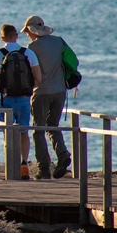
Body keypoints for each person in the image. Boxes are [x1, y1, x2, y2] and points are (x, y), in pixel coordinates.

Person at [0, 24, 42, 179]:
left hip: (5, 100)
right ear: (16, 35)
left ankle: (11, 167)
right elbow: (38, 78)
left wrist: (0, 90)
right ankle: (24, 163)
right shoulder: (28, 53)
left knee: (8, 134)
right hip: (24, 100)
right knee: (24, 132)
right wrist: (27, 89)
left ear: (2, 37)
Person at [23, 15, 73, 179]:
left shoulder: (32, 47)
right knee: (53, 125)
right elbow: (73, 60)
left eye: (27, 32)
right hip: (59, 91)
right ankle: (62, 153)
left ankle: (44, 168)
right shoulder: (59, 41)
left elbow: (29, 72)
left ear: (32, 32)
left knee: (38, 130)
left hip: (41, 92)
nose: (27, 36)